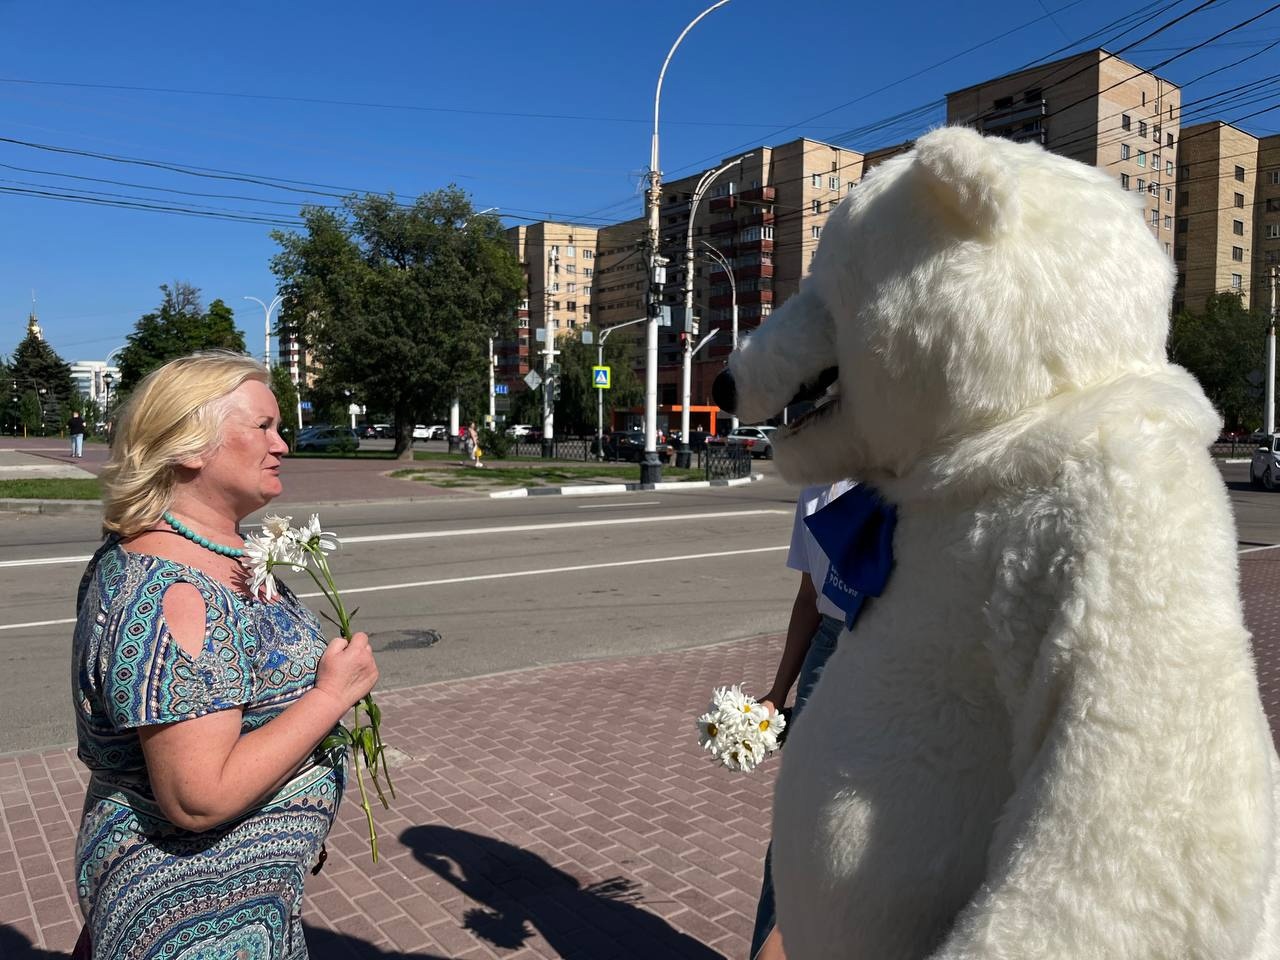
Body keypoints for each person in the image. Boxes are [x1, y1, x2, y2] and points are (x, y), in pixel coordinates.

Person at [71, 350, 379, 960]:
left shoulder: (206, 553)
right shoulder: (178, 592)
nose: (282, 444)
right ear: (189, 446)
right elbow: (198, 795)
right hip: (201, 921)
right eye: (262, 427)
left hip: (231, 905)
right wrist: (331, 696)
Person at [749, 479, 855, 960]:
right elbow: (809, 596)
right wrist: (777, 692)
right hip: (827, 645)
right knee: (798, 818)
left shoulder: (892, 476)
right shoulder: (814, 492)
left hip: (887, 649)